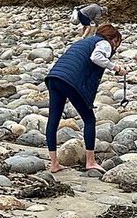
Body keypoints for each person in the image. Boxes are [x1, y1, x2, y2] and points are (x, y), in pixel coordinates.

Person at [45, 24, 126, 173]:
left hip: (54, 77)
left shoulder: (84, 41)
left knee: (53, 119)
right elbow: (96, 57)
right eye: (117, 43)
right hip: (70, 81)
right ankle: (90, 161)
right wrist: (116, 68)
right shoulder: (104, 43)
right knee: (89, 120)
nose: (115, 47)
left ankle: (54, 164)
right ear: (113, 39)